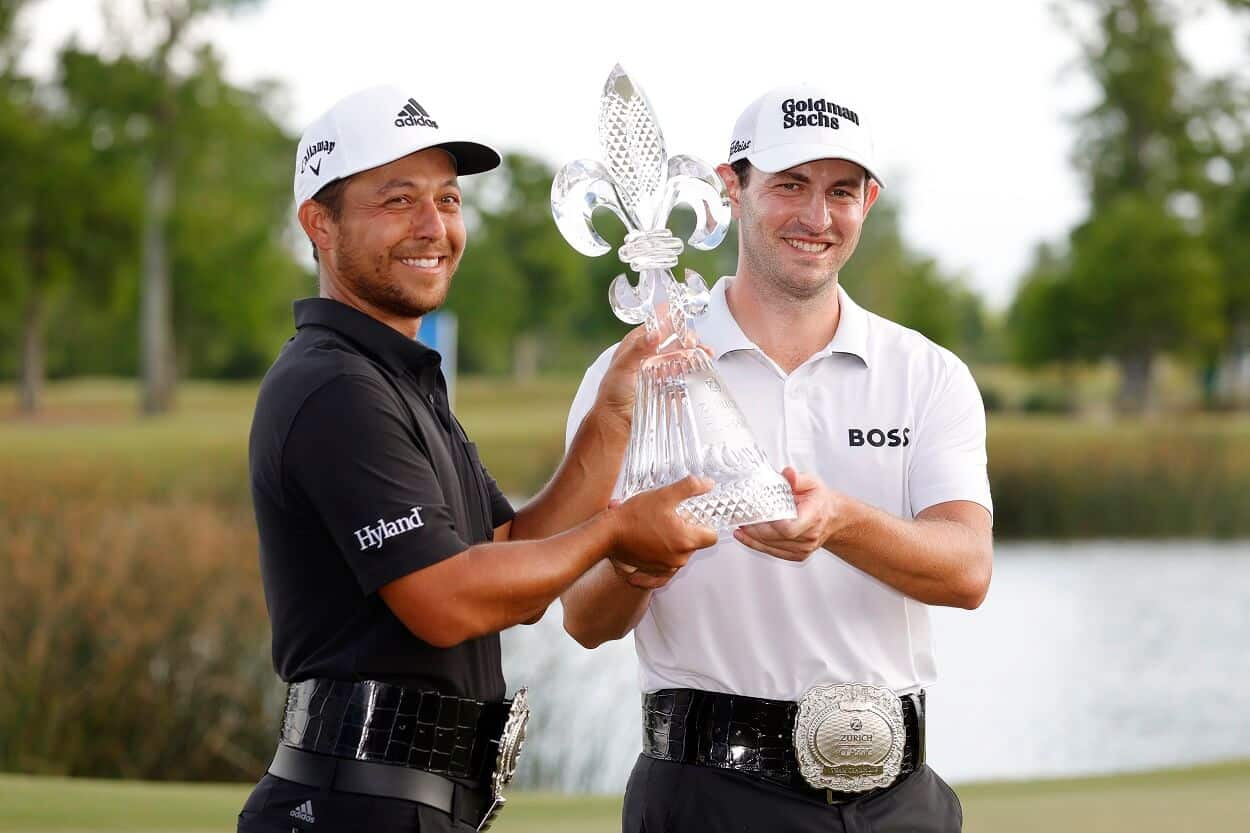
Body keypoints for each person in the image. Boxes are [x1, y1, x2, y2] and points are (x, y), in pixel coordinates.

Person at [236, 84, 717, 833]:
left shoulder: (396, 375)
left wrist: (611, 418)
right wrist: (616, 535)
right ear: (319, 225)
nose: (435, 227)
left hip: (401, 803)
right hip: (348, 804)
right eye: (398, 201)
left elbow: (508, 556)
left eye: (449, 200)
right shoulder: (333, 384)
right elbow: (448, 600)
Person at [562, 83, 994, 833]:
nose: (816, 217)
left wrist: (840, 522)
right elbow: (584, 619)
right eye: (789, 185)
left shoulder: (928, 374)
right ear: (731, 188)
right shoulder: (634, 370)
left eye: (841, 191)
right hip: (705, 795)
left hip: (898, 800)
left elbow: (967, 571)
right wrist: (645, 555)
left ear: (870, 200)